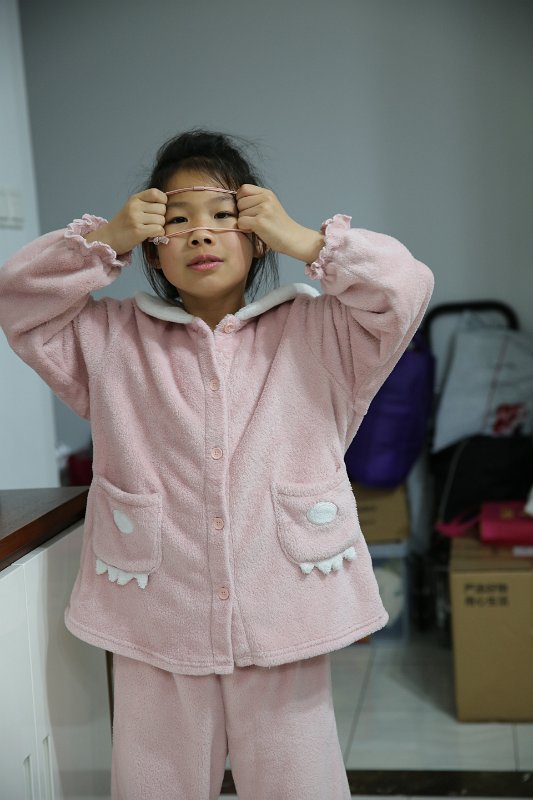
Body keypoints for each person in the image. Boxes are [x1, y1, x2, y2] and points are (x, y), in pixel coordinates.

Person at [0, 128, 434, 799]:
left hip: (283, 609)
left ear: (257, 236)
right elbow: (19, 302)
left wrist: (306, 241)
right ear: (152, 246)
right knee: (154, 785)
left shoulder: (324, 333)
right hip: (157, 612)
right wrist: (102, 241)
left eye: (223, 215)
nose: (200, 233)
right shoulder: (109, 339)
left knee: (299, 784)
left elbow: (405, 288)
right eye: (176, 220)